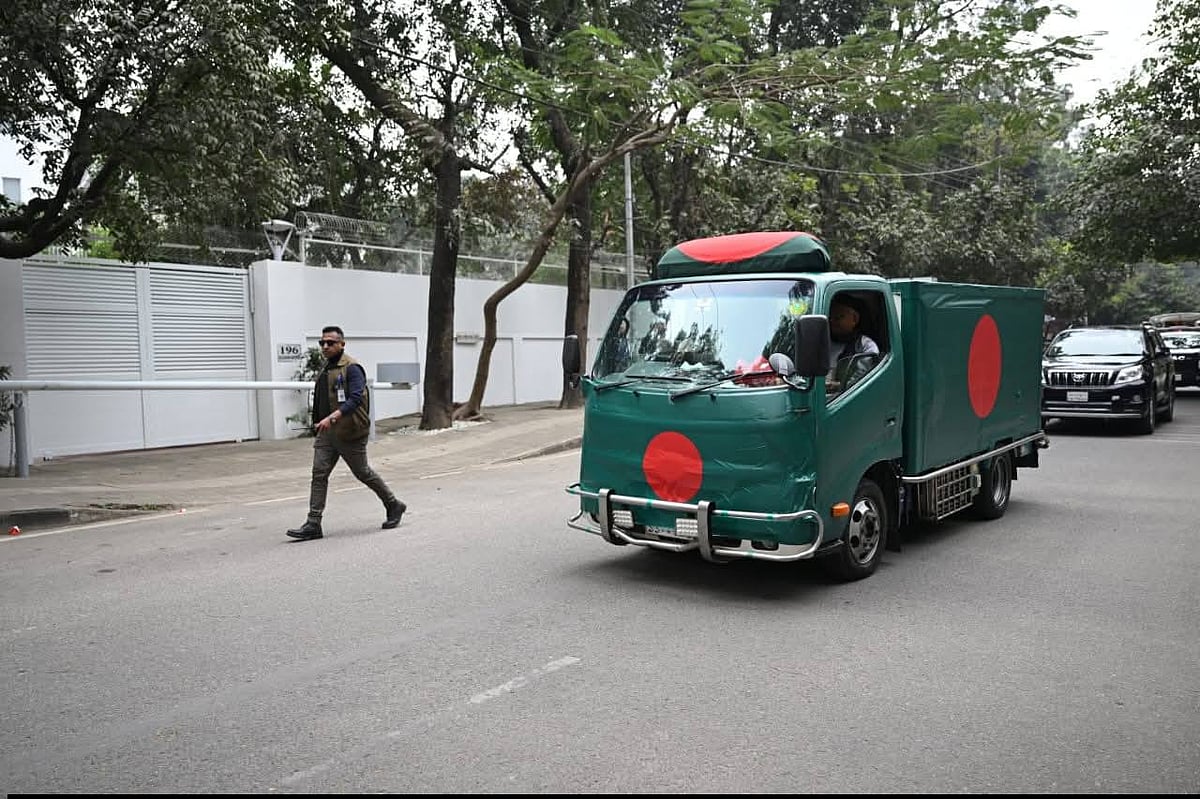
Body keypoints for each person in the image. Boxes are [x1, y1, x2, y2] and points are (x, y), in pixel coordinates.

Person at [286, 326, 406, 541]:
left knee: (363, 473)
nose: (325, 346)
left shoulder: (352, 368)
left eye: (330, 342)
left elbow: (356, 398)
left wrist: (331, 417)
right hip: (327, 434)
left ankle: (393, 504)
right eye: (322, 342)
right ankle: (313, 523)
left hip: (350, 432)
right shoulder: (327, 368)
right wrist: (318, 423)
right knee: (319, 474)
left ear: (342, 344)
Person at [827, 296, 880, 394]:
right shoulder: (821, 343)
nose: (833, 322)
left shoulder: (866, 346)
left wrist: (837, 386)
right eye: (831, 318)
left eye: (839, 317)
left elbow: (863, 381)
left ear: (854, 319)